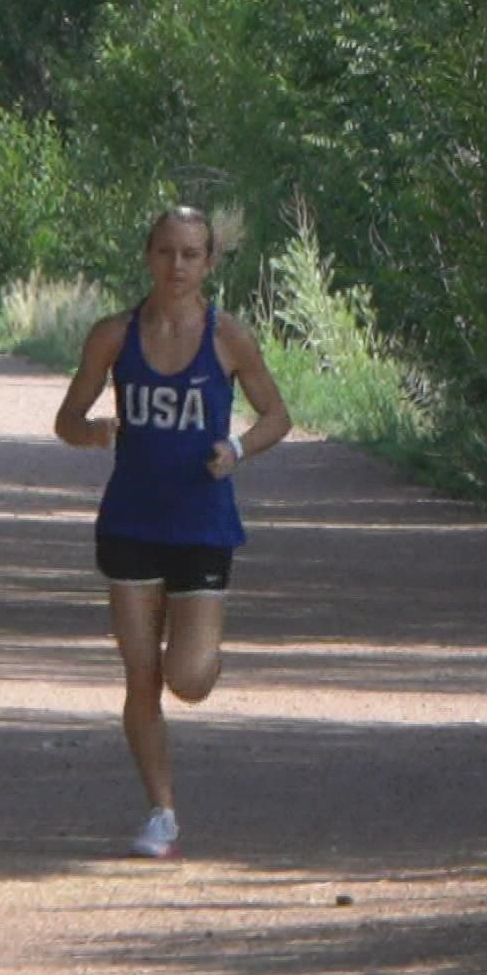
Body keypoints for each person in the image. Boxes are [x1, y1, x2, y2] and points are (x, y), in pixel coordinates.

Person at [54, 206, 292, 858]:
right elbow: (66, 417)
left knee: (186, 677)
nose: (178, 266)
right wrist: (93, 430)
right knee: (140, 678)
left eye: (191, 254)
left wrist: (237, 451)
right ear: (148, 256)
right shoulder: (113, 336)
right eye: (166, 252)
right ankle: (161, 812)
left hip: (203, 526)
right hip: (130, 521)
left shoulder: (229, 338)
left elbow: (277, 414)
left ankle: (202, 646)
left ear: (209, 262)